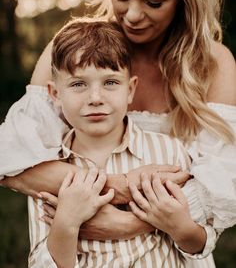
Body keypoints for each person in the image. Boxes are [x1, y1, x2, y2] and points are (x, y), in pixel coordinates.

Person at [0, 0, 236, 266]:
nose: (134, 15)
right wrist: (117, 186)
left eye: (154, 2)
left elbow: (220, 184)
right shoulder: (73, 49)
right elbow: (12, 158)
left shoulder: (211, 62)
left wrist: (130, 224)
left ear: (185, 0)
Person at [29, 18, 212, 267]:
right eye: (78, 84)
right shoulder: (46, 172)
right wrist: (67, 223)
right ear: (55, 94)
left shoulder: (168, 152)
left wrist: (180, 227)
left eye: (111, 82)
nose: (95, 98)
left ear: (130, 89)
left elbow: (201, 249)